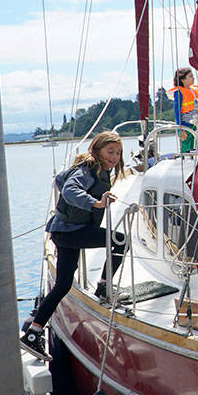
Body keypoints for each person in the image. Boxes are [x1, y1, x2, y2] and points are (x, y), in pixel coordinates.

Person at [20, 131, 126, 361]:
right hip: (70, 231)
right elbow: (69, 190)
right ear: (97, 150)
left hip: (65, 232)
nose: (115, 157)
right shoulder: (87, 170)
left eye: (118, 152)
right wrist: (96, 202)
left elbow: (62, 181)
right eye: (110, 151)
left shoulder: (96, 169)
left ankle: (32, 333)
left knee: (63, 284)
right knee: (120, 241)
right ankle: (104, 288)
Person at [172, 67, 198, 153]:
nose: (193, 78)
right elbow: (177, 112)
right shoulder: (179, 92)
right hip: (186, 126)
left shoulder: (195, 90)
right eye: (191, 76)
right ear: (183, 79)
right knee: (187, 150)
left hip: (197, 124)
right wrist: (180, 129)